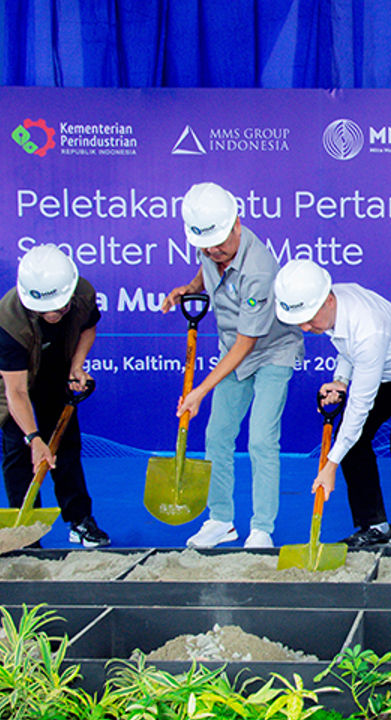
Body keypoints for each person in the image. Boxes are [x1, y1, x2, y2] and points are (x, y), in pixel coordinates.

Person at [273, 259, 391, 549]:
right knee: (350, 439)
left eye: (309, 320)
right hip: (389, 367)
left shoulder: (368, 327)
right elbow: (349, 349)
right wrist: (340, 380)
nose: (306, 327)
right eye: (301, 322)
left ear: (329, 300)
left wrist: (330, 465)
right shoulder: (333, 308)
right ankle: (375, 526)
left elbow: (360, 404)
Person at [162, 182, 302, 550]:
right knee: (217, 436)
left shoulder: (259, 269)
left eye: (220, 244)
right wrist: (188, 288)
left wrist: (200, 391)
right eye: (205, 246)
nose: (213, 251)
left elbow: (247, 342)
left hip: (271, 351)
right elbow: (206, 270)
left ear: (237, 224)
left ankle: (261, 529)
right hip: (233, 350)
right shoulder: (211, 245)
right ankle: (221, 520)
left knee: (260, 440)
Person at [0, 244, 110, 547]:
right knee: (20, 453)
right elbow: (16, 391)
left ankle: (79, 520)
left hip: (54, 369)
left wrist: (76, 366)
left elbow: (88, 327)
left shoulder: (82, 292)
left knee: (66, 446)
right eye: (45, 309)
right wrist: (33, 438)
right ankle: (25, 533)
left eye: (60, 307)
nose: (53, 313)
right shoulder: (8, 324)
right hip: (10, 380)